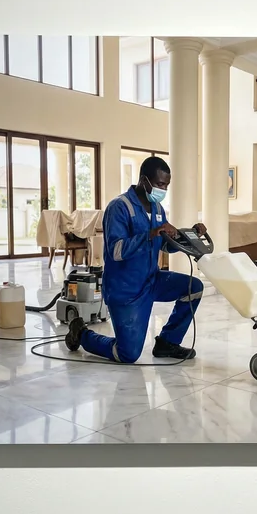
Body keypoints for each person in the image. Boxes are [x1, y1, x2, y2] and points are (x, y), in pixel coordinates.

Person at [64, 156, 207, 363]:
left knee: (194, 287)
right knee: (127, 354)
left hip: (151, 280)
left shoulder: (157, 209)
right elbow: (115, 251)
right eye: (160, 184)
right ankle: (82, 334)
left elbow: (165, 244)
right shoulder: (119, 207)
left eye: (166, 185)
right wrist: (151, 234)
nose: (163, 189)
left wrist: (190, 236)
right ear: (143, 181)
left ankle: (167, 342)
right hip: (125, 290)